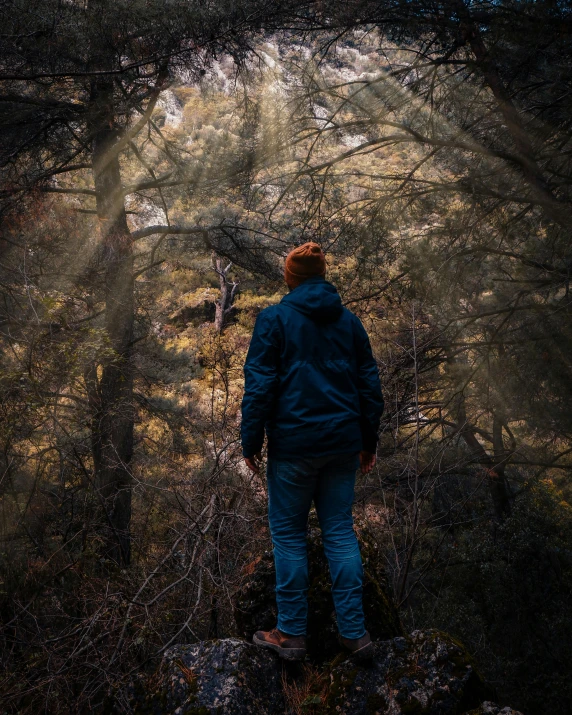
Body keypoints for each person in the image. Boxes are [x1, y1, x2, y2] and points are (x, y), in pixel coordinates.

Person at [240, 242, 384, 661]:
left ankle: (291, 634)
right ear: (321, 276)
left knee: (289, 536)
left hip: (293, 448)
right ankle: (355, 635)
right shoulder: (350, 323)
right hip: (342, 446)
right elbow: (369, 388)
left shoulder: (273, 320)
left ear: (291, 278)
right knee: (339, 532)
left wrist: (251, 442)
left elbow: (260, 387)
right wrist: (367, 441)